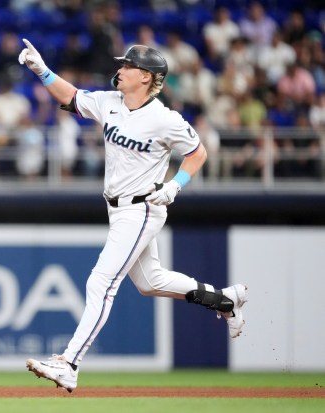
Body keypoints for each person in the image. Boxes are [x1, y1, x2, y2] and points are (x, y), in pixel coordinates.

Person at [18, 40, 248, 392]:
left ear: (145, 76)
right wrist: (41, 69)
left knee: (101, 282)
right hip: (117, 207)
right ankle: (223, 300)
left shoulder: (164, 119)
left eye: (127, 66)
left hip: (142, 208)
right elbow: (73, 96)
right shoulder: (110, 102)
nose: (120, 69)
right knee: (150, 282)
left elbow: (198, 152)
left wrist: (176, 184)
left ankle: (69, 363)